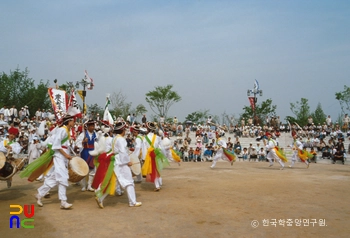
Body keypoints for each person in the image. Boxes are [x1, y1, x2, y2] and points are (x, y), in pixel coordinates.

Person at [94, 122, 142, 208]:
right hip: (121, 163)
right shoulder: (121, 140)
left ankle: (100, 198)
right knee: (129, 182)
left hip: (115, 161)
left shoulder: (114, 138)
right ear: (122, 130)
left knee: (113, 181)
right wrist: (127, 162)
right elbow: (123, 152)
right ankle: (133, 202)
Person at [35, 114, 75, 209]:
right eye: (73, 121)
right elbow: (56, 145)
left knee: (54, 178)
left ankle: (40, 194)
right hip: (59, 156)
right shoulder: (62, 130)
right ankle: (63, 201)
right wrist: (66, 155)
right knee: (63, 177)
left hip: (63, 157)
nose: (74, 122)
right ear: (69, 122)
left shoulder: (67, 131)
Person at [142, 122, 168, 191]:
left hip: (149, 155)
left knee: (153, 170)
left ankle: (157, 185)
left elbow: (144, 149)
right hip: (156, 154)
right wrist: (163, 156)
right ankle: (159, 182)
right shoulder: (158, 137)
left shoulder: (145, 138)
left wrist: (144, 158)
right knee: (157, 168)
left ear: (147, 129)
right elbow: (161, 147)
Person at [76, 120, 96, 192]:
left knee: (92, 169)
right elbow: (77, 142)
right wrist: (83, 142)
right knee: (84, 169)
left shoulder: (95, 134)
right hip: (85, 152)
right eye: (91, 126)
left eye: (93, 126)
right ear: (88, 127)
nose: (92, 127)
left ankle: (89, 185)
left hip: (93, 152)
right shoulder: (83, 134)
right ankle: (84, 185)